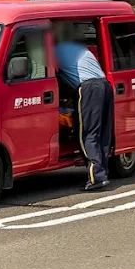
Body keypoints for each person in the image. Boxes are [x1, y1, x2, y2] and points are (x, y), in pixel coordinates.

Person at [55, 33, 113, 191]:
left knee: (87, 133)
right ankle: (103, 171)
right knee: (102, 133)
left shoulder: (52, 50)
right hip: (105, 85)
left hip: (89, 88)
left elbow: (51, 75)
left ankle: (96, 176)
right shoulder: (76, 48)